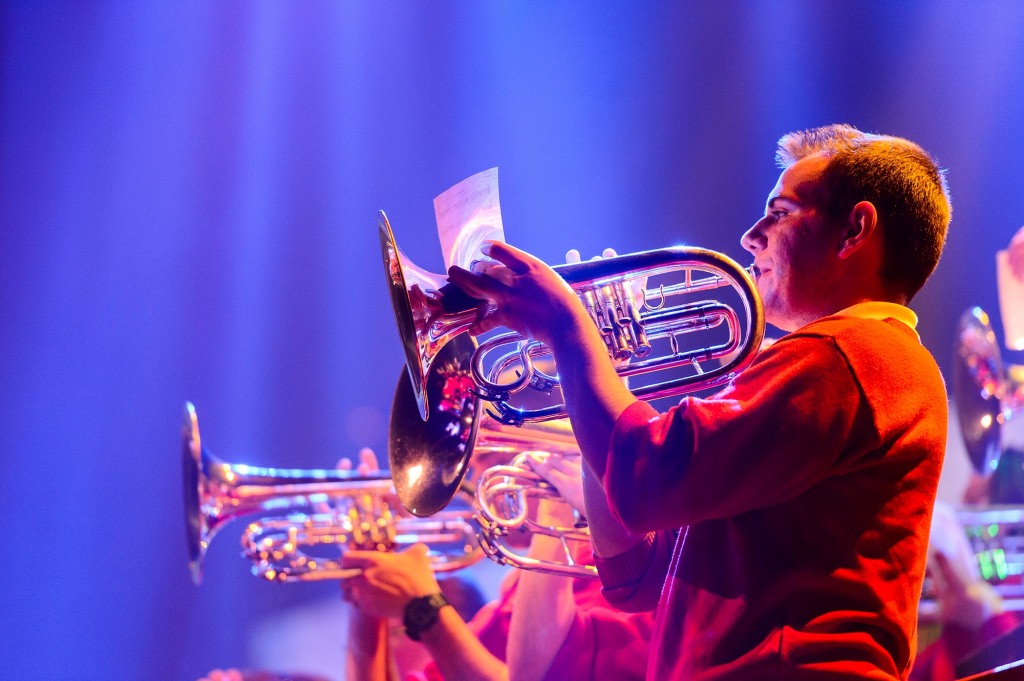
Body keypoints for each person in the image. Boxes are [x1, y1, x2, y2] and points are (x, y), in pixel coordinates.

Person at [448, 123, 952, 680]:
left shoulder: (857, 352)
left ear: (855, 229)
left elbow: (647, 476)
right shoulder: (838, 361)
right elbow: (637, 578)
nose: (750, 236)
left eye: (779, 212)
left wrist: (570, 330)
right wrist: (609, 366)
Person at [340, 449, 653, 681]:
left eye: (487, 457)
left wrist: (425, 610)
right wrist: (367, 560)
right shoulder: (505, 608)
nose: (473, 475)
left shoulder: (603, 565)